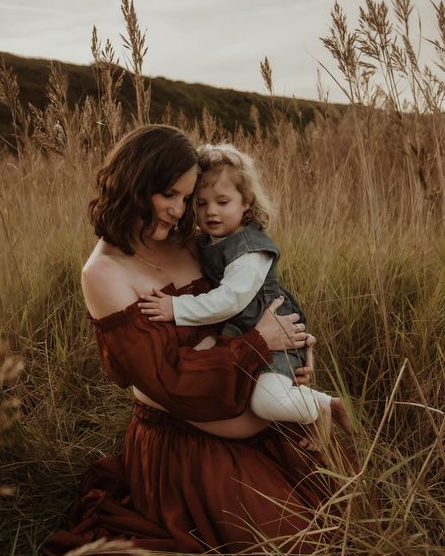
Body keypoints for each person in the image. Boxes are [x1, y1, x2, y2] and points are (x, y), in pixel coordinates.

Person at [44, 125, 342, 556]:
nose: (181, 210)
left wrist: (294, 343)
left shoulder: (189, 239)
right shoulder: (103, 273)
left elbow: (244, 303)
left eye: (188, 198)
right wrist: (261, 343)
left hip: (254, 402)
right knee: (286, 551)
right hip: (187, 442)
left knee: (334, 526)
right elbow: (171, 381)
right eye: (172, 195)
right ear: (136, 183)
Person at [138, 143, 352, 448]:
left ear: (246, 204)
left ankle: (319, 408)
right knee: (200, 362)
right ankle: (324, 403)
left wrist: (176, 307)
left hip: (276, 336)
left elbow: (231, 300)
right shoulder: (212, 239)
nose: (211, 211)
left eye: (223, 201)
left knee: (265, 404)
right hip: (242, 332)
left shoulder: (250, 251)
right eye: (200, 203)